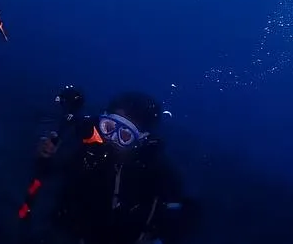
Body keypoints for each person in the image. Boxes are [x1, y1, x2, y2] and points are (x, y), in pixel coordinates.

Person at [20, 85, 201, 244]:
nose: (111, 139)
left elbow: (185, 216)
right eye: (108, 127)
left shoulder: (156, 171)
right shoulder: (86, 147)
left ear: (140, 141)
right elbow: (48, 171)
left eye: (124, 135)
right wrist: (44, 153)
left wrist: (159, 240)